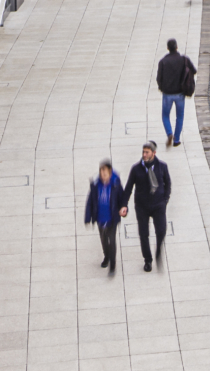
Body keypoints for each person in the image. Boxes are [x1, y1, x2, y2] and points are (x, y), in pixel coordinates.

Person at [123, 140, 172, 272]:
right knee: (143, 234)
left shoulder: (162, 166)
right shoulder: (136, 169)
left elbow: (168, 184)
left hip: (158, 205)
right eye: (143, 152)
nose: (144, 155)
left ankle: (158, 252)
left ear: (154, 153)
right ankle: (148, 260)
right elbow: (128, 188)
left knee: (161, 231)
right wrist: (124, 205)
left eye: (147, 152)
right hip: (142, 207)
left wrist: (165, 200)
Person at [84, 159, 127, 275]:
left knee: (112, 241)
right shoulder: (95, 185)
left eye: (105, 174)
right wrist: (88, 217)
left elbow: (122, 198)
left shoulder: (116, 184)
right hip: (100, 218)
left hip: (112, 218)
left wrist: (123, 208)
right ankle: (106, 256)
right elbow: (90, 201)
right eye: (101, 173)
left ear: (110, 172)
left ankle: (112, 264)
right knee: (103, 240)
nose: (103, 176)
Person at [156, 38, 196, 146]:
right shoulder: (184, 59)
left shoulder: (163, 61)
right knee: (180, 116)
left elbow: (159, 78)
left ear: (167, 48)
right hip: (180, 93)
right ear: (177, 47)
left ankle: (169, 133)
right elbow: (194, 70)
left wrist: (162, 87)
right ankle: (176, 139)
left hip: (167, 94)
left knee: (165, 115)